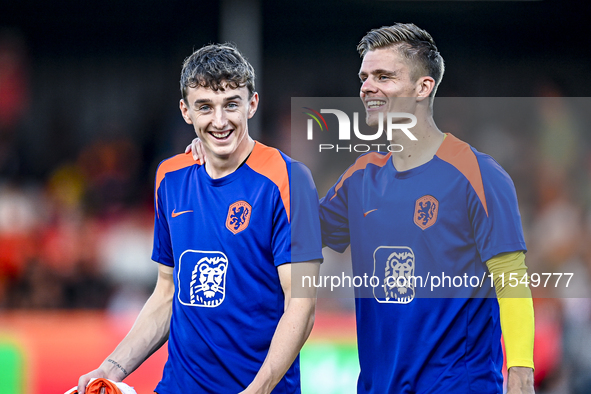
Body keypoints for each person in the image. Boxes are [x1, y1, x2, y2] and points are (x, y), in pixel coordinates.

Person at [188, 24, 535, 393]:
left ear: (423, 87)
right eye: (364, 77)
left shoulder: (478, 174)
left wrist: (521, 375)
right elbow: (285, 230)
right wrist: (223, 156)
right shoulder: (361, 178)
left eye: (383, 76)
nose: (368, 86)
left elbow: (512, 278)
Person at [77, 43, 323, 394]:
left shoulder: (288, 179)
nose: (219, 121)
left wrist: (258, 390)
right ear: (186, 111)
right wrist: (110, 368)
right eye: (205, 107)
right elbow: (166, 294)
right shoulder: (169, 177)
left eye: (231, 105)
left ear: (252, 104)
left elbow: (301, 305)